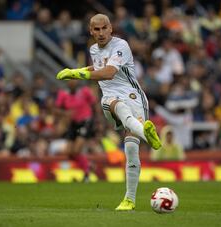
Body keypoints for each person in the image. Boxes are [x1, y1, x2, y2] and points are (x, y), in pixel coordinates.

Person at [56, 13, 162, 211]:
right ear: (91, 31)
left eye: (104, 28)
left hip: (134, 97)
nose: (101, 32)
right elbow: (97, 68)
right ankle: (145, 132)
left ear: (111, 28)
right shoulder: (94, 49)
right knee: (113, 102)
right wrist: (77, 69)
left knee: (131, 150)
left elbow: (109, 72)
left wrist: (76, 74)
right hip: (110, 98)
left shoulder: (121, 45)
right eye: (96, 29)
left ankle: (129, 200)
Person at [55, 80, 96, 182]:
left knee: (77, 150)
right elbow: (56, 109)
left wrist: (97, 122)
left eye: (73, 80)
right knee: (69, 152)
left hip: (85, 121)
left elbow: (94, 103)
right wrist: (65, 113)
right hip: (73, 123)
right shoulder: (63, 93)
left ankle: (86, 174)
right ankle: (88, 165)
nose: (71, 82)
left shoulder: (84, 91)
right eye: (69, 80)